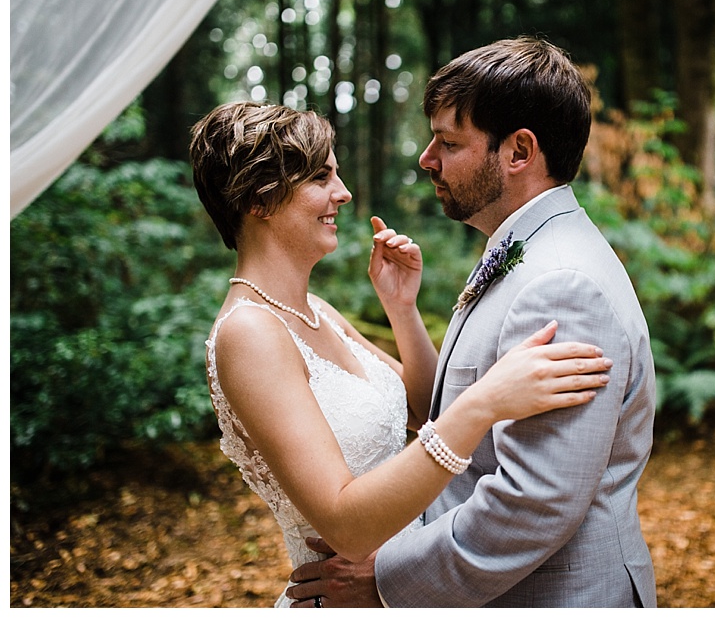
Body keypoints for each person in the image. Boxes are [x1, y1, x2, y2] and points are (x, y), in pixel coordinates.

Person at [189, 100, 614, 608]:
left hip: (404, 585)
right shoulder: (250, 333)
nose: (343, 194)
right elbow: (344, 524)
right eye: (321, 178)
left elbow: (422, 411)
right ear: (260, 199)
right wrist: (485, 402)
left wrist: (402, 309)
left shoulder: (313, 311)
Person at [287, 36, 658, 607]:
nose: (426, 158)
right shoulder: (530, 252)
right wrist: (403, 311)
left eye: (448, 141)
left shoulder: (561, 283)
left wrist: (384, 580)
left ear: (518, 151)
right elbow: (460, 420)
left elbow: (535, 502)